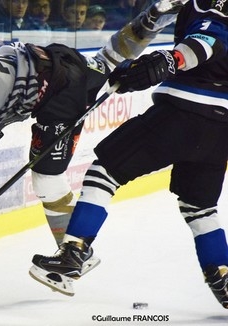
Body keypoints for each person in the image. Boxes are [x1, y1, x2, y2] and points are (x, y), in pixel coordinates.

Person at [0, 0, 184, 276]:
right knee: (104, 62)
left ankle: (74, 255)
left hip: (61, 94)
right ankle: (150, 18)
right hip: (49, 60)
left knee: (46, 179)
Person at [30, 0, 228, 309]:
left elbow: (207, 42)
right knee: (199, 207)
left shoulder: (214, 8)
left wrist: (170, 59)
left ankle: (73, 253)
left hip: (183, 113)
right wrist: (136, 70)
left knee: (104, 171)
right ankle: (224, 280)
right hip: (220, 129)